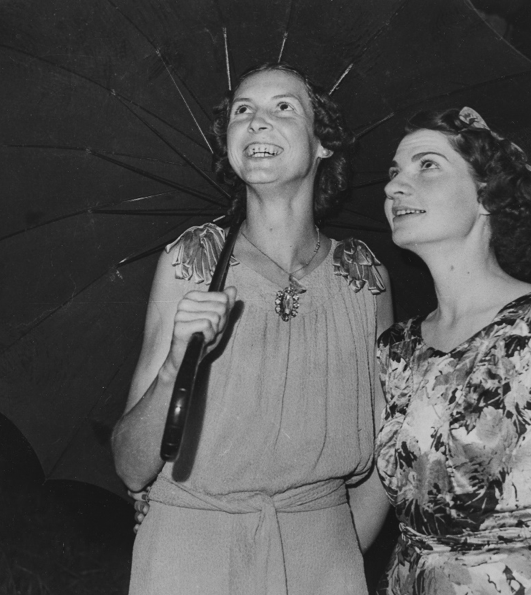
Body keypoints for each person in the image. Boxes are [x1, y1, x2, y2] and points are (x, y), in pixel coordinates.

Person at [111, 62, 393, 595]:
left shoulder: (364, 277)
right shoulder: (191, 263)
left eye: (283, 107)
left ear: (323, 144)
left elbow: (385, 449)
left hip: (323, 556)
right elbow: (131, 466)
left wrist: (339, 554)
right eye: (244, 111)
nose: (257, 122)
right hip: (191, 554)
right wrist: (175, 364)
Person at [375, 107, 531, 594]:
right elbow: (359, 511)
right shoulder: (395, 349)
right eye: (394, 173)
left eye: (426, 165)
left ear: (487, 194)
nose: (394, 186)